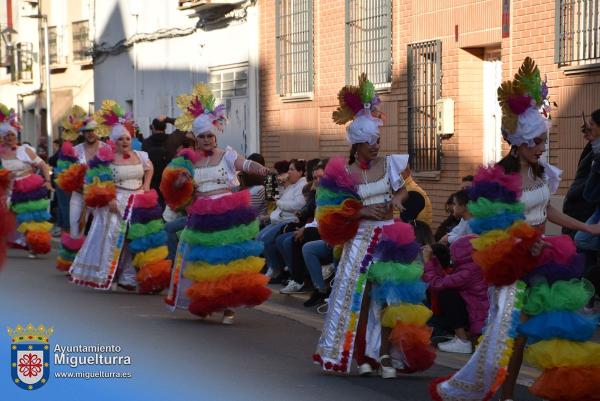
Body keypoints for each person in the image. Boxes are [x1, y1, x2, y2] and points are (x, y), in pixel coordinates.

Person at [431, 57, 600, 401]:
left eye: (542, 141)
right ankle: (488, 389)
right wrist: (522, 244)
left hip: (541, 259)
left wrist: (589, 229)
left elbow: (547, 210)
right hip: (510, 264)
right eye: (536, 143)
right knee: (507, 332)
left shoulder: (542, 173)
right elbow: (491, 228)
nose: (542, 148)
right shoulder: (501, 179)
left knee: (529, 332)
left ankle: (507, 394)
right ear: (519, 143)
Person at [313, 73, 435, 378]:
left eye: (378, 140)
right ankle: (363, 355)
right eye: (371, 142)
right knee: (360, 296)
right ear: (357, 144)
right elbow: (332, 212)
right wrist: (363, 210)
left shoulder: (390, 164)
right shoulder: (344, 174)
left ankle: (387, 356)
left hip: (390, 237)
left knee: (391, 297)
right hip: (360, 240)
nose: (376, 146)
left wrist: (397, 199)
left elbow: (403, 188)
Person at [162, 83, 271, 325]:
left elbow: (247, 165)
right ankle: (207, 301)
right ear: (196, 139)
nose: (208, 139)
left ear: (216, 135)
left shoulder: (228, 155)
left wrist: (265, 170)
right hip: (202, 216)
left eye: (210, 135)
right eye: (202, 136)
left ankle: (229, 307)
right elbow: (177, 192)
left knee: (226, 261)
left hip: (228, 215)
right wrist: (180, 182)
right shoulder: (189, 161)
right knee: (203, 262)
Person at [69, 100, 170, 294]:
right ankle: (109, 274)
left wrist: (147, 186)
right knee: (115, 240)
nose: (125, 142)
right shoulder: (105, 158)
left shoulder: (141, 155)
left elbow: (150, 169)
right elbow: (97, 180)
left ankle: (130, 276)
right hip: (116, 202)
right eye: (120, 140)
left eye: (127, 138)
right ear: (113, 142)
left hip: (139, 202)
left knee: (138, 240)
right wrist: (110, 199)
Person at [54, 106, 111, 272]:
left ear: (98, 131)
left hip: (100, 197)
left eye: (93, 131)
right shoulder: (75, 151)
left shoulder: (106, 149)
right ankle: (73, 264)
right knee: (74, 227)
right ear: (82, 133)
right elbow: (65, 172)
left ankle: (100, 264)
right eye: (86, 131)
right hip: (79, 195)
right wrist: (74, 184)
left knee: (100, 230)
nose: (90, 134)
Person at [0, 103, 53, 258]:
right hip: (8, 188)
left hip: (26, 188)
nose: (9, 138)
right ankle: (11, 243)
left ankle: (34, 245)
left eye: (12, 135)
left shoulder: (24, 150)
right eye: (6, 136)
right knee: (6, 218)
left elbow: (43, 165)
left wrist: (48, 181)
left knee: (29, 218)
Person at [423, 234, 489, 354]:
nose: (452, 256)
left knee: (446, 294)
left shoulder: (468, 270)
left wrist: (427, 262)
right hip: (475, 309)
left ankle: (462, 340)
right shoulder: (472, 266)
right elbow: (449, 280)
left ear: (462, 253)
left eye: (454, 252)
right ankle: (461, 337)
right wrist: (434, 262)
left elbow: (438, 284)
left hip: (477, 314)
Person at [257, 159, 307, 284]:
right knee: (259, 237)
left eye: (292, 169)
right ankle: (273, 266)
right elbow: (272, 195)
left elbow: (298, 205)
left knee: (265, 239)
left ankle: (276, 269)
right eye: (288, 169)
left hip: (288, 220)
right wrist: (276, 182)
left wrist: (278, 202)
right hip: (278, 219)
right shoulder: (291, 185)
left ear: (301, 172)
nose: (288, 173)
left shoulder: (302, 184)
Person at [143, 116, 171, 205]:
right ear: (165, 127)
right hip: (168, 177)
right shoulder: (171, 140)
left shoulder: (146, 142)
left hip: (151, 179)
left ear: (152, 127)